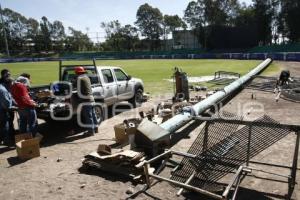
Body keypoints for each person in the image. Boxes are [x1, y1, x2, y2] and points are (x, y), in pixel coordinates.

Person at [74, 66, 98, 135]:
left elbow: (74, 86)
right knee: (93, 115)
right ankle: (96, 129)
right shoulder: (87, 77)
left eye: (76, 73)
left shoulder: (79, 78)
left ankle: (91, 132)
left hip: (86, 100)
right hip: (92, 99)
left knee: (88, 116)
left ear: (77, 73)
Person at [0, 69, 16, 137]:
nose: (8, 76)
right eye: (7, 74)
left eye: (9, 74)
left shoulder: (11, 81)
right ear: (3, 75)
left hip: (9, 101)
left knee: (11, 119)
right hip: (3, 105)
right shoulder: (1, 84)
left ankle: (11, 133)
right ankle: (6, 137)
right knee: (4, 121)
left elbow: (12, 93)